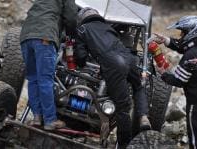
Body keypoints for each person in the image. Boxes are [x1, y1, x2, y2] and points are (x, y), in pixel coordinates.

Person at [74, 7, 151, 147]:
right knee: (139, 86)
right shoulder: (107, 26)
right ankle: (144, 117)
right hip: (129, 58)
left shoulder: (82, 29)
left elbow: (80, 57)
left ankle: (123, 145)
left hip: (113, 64)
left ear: (81, 19)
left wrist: (82, 61)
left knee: (122, 109)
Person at [20, 0, 78, 130]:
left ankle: (37, 117)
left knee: (33, 79)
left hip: (26, 36)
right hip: (44, 37)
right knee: (45, 80)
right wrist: (71, 36)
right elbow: (71, 16)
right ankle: (50, 120)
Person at [153, 15, 197, 149]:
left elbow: (179, 81)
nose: (181, 35)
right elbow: (183, 46)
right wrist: (166, 40)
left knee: (194, 134)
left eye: (183, 33)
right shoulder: (193, 46)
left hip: (195, 102)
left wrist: (163, 74)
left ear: (191, 32)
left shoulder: (191, 55)